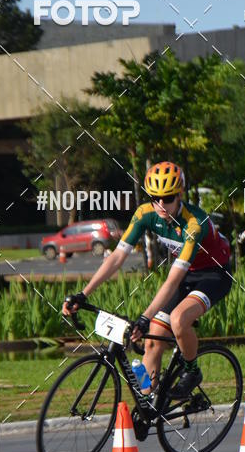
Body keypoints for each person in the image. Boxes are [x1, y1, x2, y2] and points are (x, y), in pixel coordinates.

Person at [62, 161, 231, 398]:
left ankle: (192, 372)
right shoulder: (145, 214)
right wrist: (84, 293)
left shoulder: (194, 223)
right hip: (187, 272)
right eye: (155, 197)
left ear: (179, 195)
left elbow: (172, 280)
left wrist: (144, 317)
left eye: (168, 198)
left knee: (179, 319)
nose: (161, 204)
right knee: (152, 341)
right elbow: (117, 258)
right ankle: (149, 403)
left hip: (214, 274)